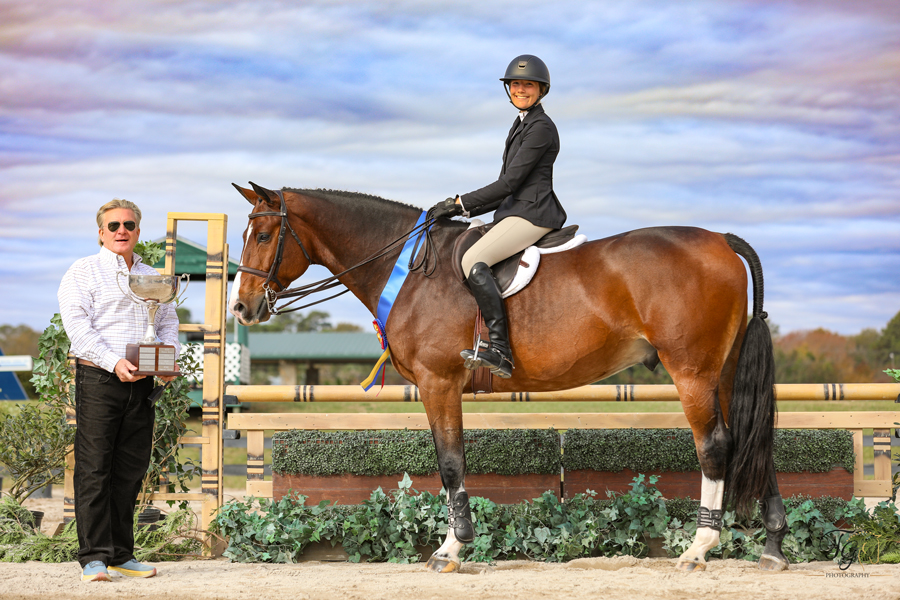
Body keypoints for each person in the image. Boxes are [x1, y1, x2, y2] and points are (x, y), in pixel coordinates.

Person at [58, 199, 180, 582]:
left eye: (128, 224)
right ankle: (93, 557)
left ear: (138, 232)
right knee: (94, 469)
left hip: (141, 385)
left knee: (130, 469)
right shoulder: (82, 272)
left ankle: (121, 555)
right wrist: (114, 362)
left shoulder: (152, 275)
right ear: (101, 232)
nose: (121, 231)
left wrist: (167, 359)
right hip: (99, 380)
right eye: (113, 226)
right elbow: (77, 326)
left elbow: (168, 321)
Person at [430, 54, 567, 378]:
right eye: (516, 84)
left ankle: (500, 350)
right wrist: (461, 211)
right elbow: (507, 189)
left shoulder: (541, 127)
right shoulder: (521, 123)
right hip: (514, 210)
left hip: (533, 213)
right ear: (509, 89)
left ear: (541, 89)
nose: (521, 89)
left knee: (473, 260)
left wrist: (460, 203)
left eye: (528, 85)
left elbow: (509, 183)